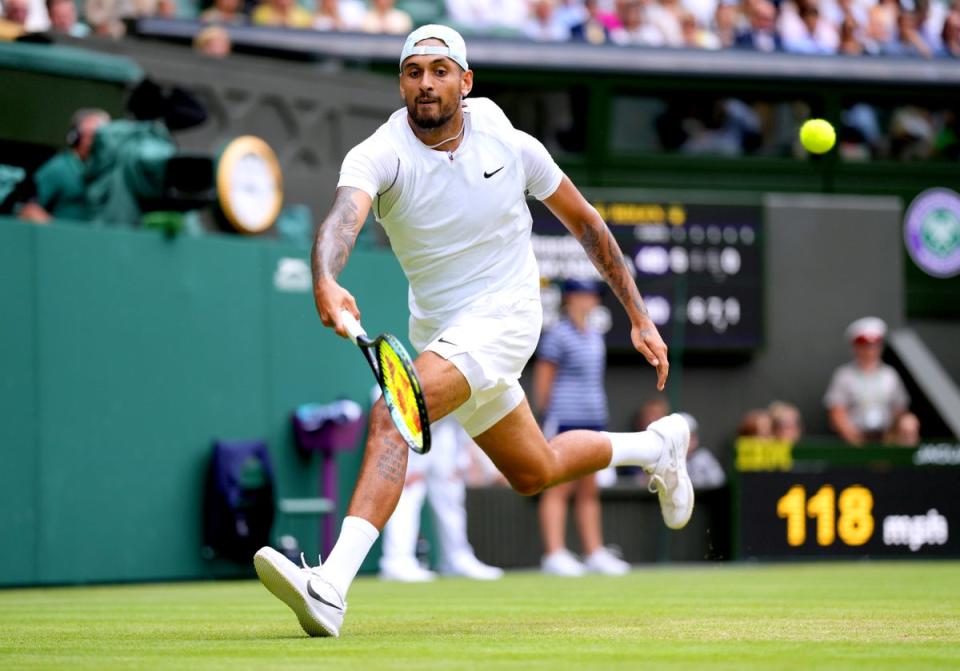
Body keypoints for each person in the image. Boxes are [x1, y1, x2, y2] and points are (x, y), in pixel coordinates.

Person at [253, 24, 692, 638]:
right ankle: (657, 448)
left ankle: (330, 586)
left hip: (507, 315)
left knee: (393, 412)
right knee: (533, 470)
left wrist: (638, 315)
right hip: (441, 331)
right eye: (413, 72)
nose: (425, 84)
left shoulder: (510, 143)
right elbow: (342, 222)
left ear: (465, 80)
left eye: (439, 71)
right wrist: (325, 277)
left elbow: (587, 224)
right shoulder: (378, 152)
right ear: (401, 82)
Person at [534, 279, 629, 577]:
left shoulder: (594, 336)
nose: (591, 301)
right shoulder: (557, 335)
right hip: (564, 420)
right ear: (571, 299)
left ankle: (593, 552)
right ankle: (554, 554)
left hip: (593, 420)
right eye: (585, 295)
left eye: (593, 296)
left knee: (589, 489)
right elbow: (543, 382)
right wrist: (546, 418)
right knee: (559, 489)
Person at [379, 414, 504, 582]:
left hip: (442, 437)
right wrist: (412, 462)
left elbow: (463, 417)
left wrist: (461, 461)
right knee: (408, 493)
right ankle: (397, 560)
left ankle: (456, 559)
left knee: (451, 496)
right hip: (407, 429)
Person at [824, 316, 919, 446]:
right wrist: (855, 439)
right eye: (864, 346)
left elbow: (900, 409)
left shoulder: (890, 375)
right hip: (855, 437)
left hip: (886, 436)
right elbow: (836, 413)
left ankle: (908, 463)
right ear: (855, 347)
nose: (870, 351)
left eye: (875, 346)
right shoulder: (844, 375)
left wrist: (890, 437)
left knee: (909, 423)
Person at [18, 108, 110, 224]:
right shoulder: (59, 168)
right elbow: (28, 210)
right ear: (76, 137)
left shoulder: (106, 170)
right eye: (93, 136)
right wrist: (58, 233)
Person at [679, 413, 726, 489]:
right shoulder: (667, 460)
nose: (691, 440)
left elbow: (718, 479)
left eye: (693, 435)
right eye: (686, 436)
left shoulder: (703, 457)